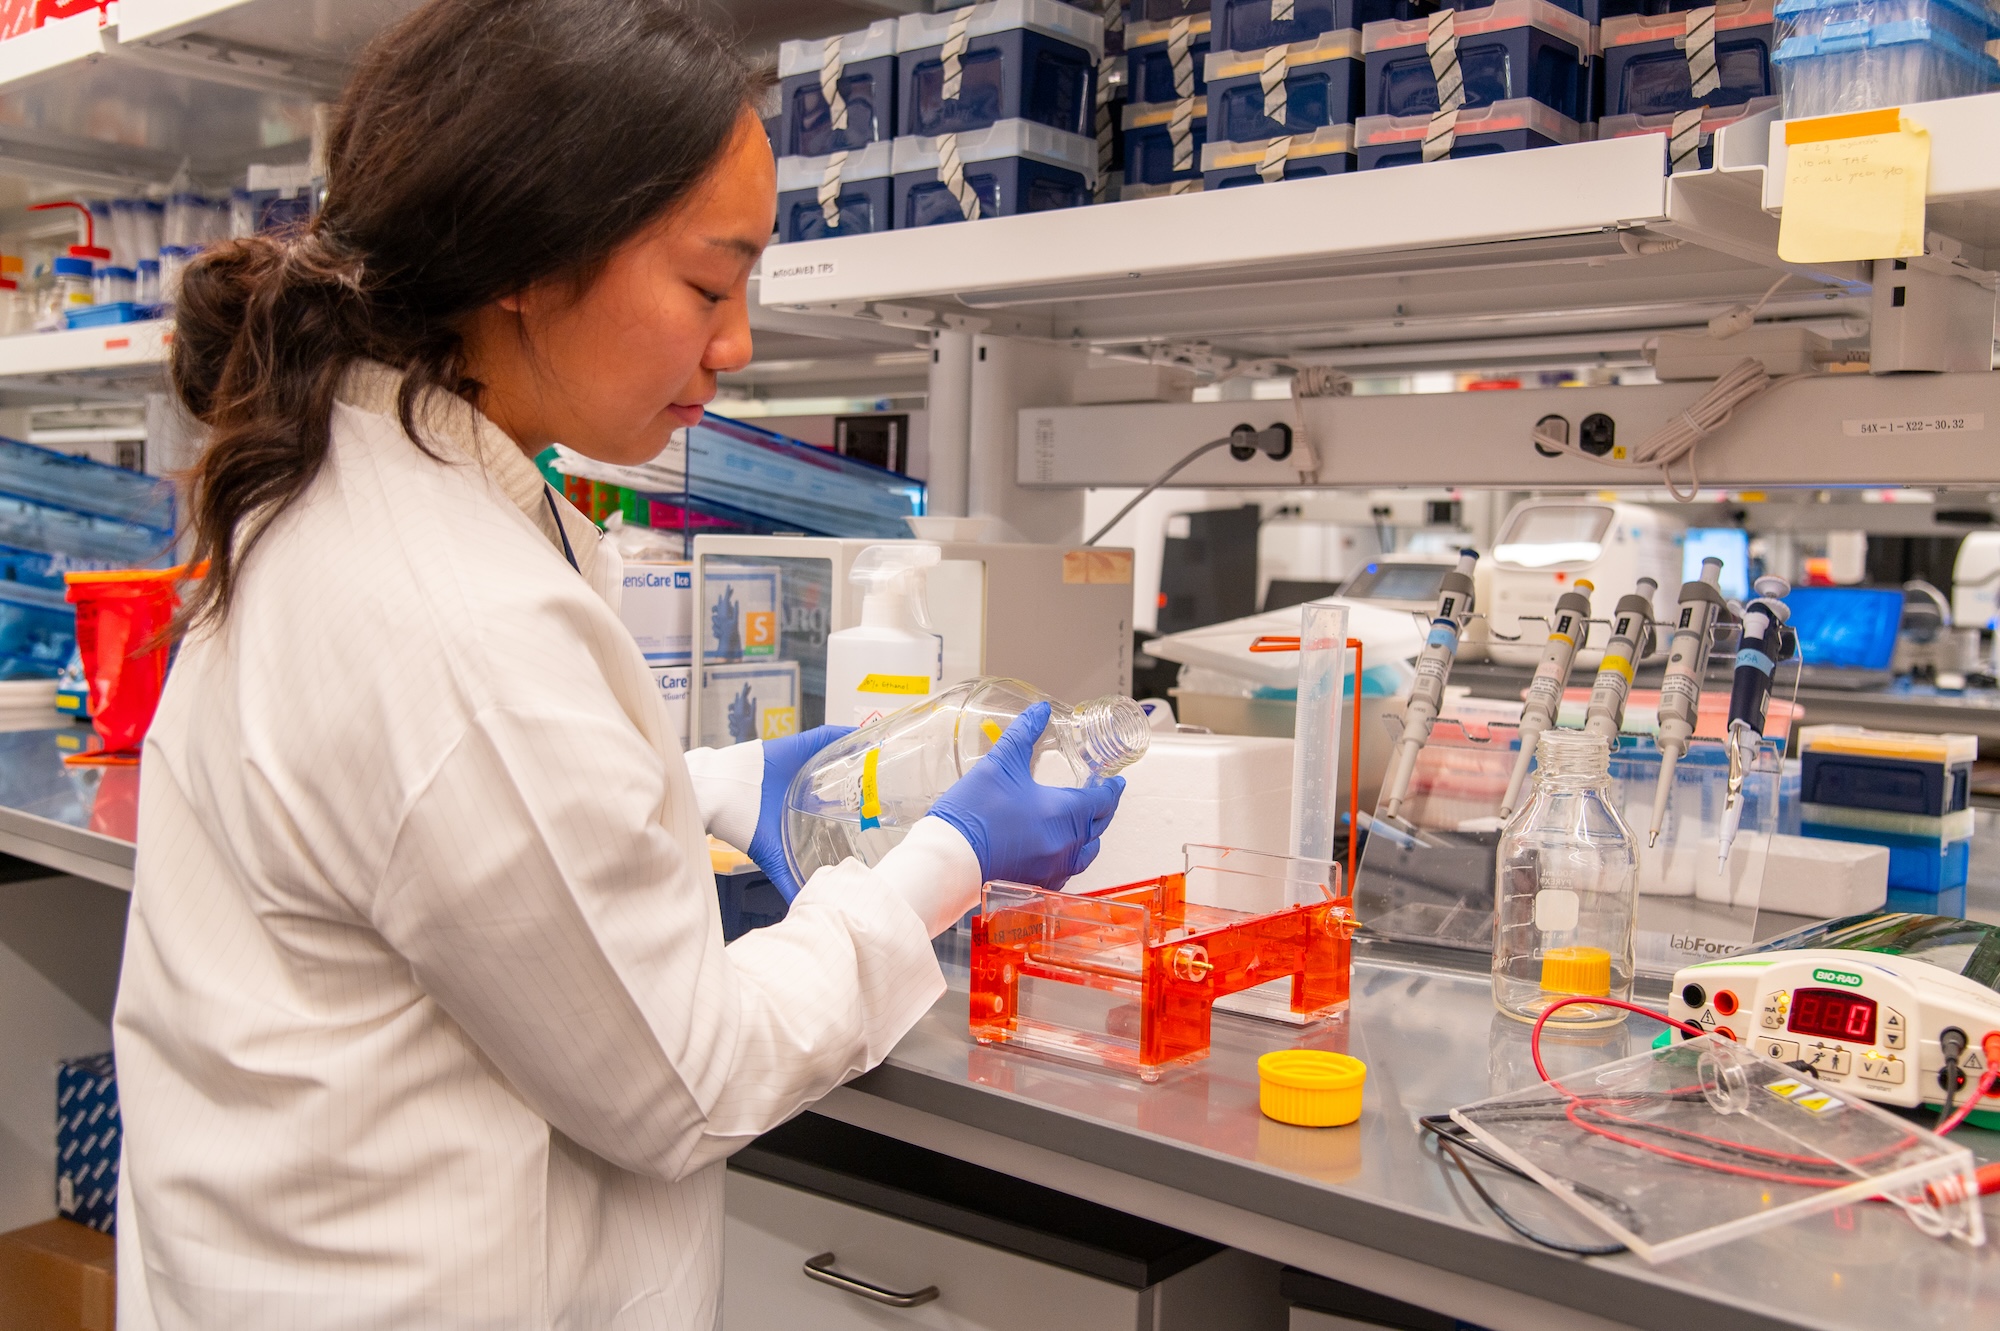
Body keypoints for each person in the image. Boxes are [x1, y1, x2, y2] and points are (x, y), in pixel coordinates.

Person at [111, 2, 1124, 1327]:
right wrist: (944, 863)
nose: (737, 342)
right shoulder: (451, 611)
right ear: (528, 257)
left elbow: (430, 813)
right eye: (708, 285)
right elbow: (690, 1078)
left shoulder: (370, 488)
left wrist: (708, 784)